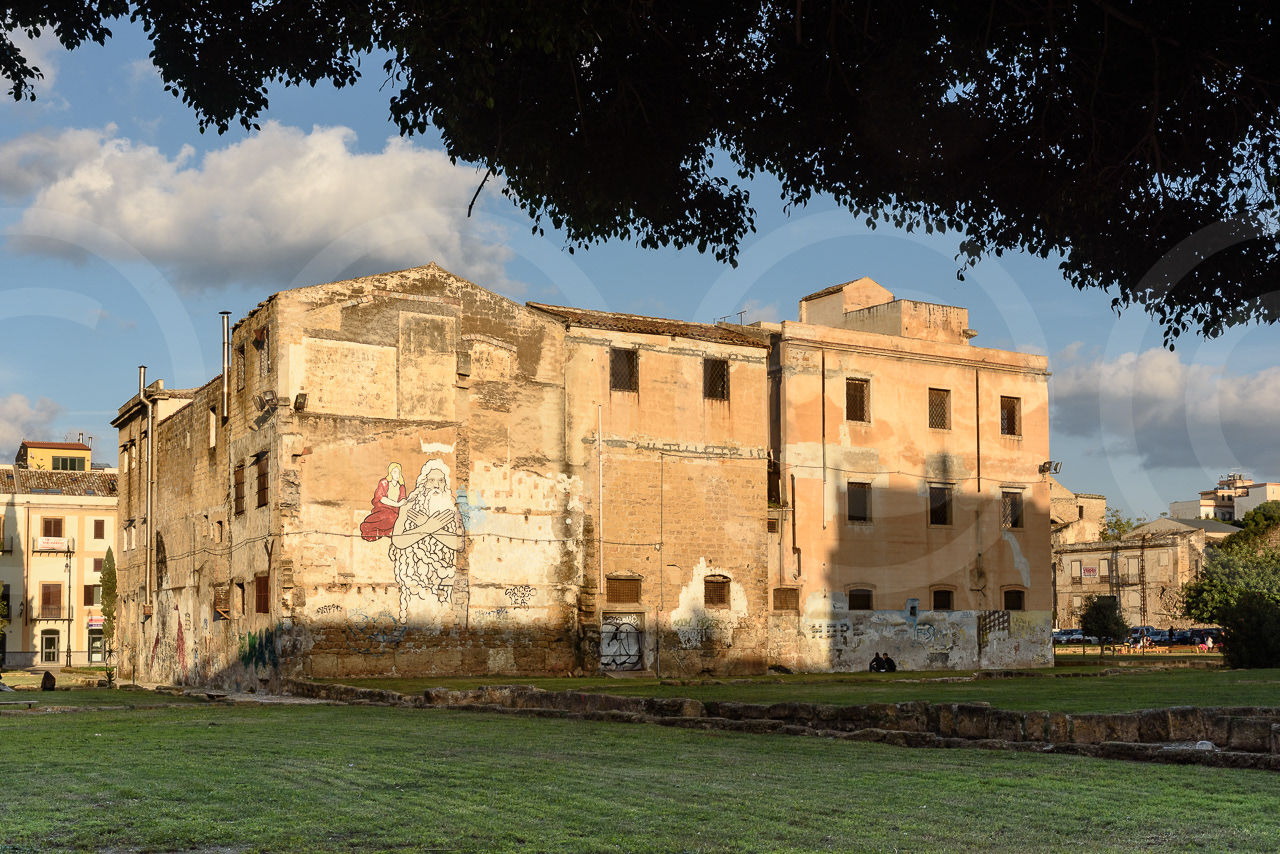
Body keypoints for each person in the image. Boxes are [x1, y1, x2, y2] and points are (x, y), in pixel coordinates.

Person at [360, 462, 407, 541]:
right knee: (389, 518)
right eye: (395, 472)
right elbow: (381, 498)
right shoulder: (384, 482)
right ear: (390, 472)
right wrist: (397, 504)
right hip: (383, 510)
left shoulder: (401, 487)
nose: (397, 475)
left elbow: (403, 498)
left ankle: (386, 532)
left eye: (399, 472)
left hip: (395, 512)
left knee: (397, 519)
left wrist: (402, 502)